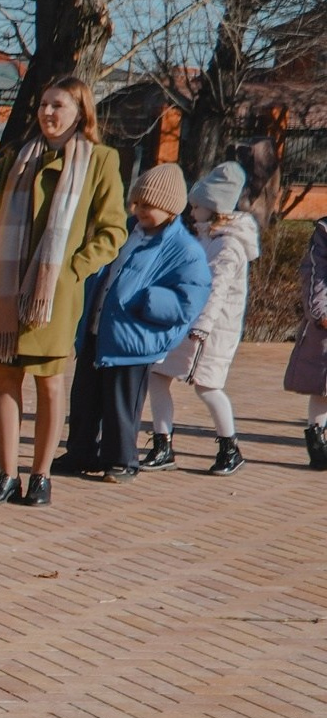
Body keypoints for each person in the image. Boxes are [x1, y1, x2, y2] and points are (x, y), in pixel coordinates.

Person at [0, 76, 128, 507]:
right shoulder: (20, 153)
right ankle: (6, 474)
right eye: (44, 104)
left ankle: (41, 476)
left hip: (52, 294)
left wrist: (73, 269)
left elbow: (113, 229)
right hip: (4, 288)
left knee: (50, 384)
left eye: (59, 106)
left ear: (80, 112)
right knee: (5, 379)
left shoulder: (100, 160)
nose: (48, 113)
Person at [60, 165, 210, 483]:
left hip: (135, 339)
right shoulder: (125, 232)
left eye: (148, 205)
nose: (139, 210)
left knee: (121, 404)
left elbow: (189, 300)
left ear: (170, 208)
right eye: (137, 203)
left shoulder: (184, 249)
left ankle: (122, 461)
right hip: (97, 330)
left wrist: (148, 301)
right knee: (84, 397)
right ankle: (80, 452)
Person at [144, 162, 259, 475]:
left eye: (197, 206)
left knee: (207, 387)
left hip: (211, 329)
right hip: (187, 323)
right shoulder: (204, 237)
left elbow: (217, 290)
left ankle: (229, 446)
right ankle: (163, 443)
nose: (191, 211)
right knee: (157, 376)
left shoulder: (228, 244)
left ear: (215, 207)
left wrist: (202, 327)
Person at [286, 205, 327, 471]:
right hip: (325, 324)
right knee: (322, 386)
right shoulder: (324, 232)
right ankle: (317, 442)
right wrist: (320, 312)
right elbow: (314, 274)